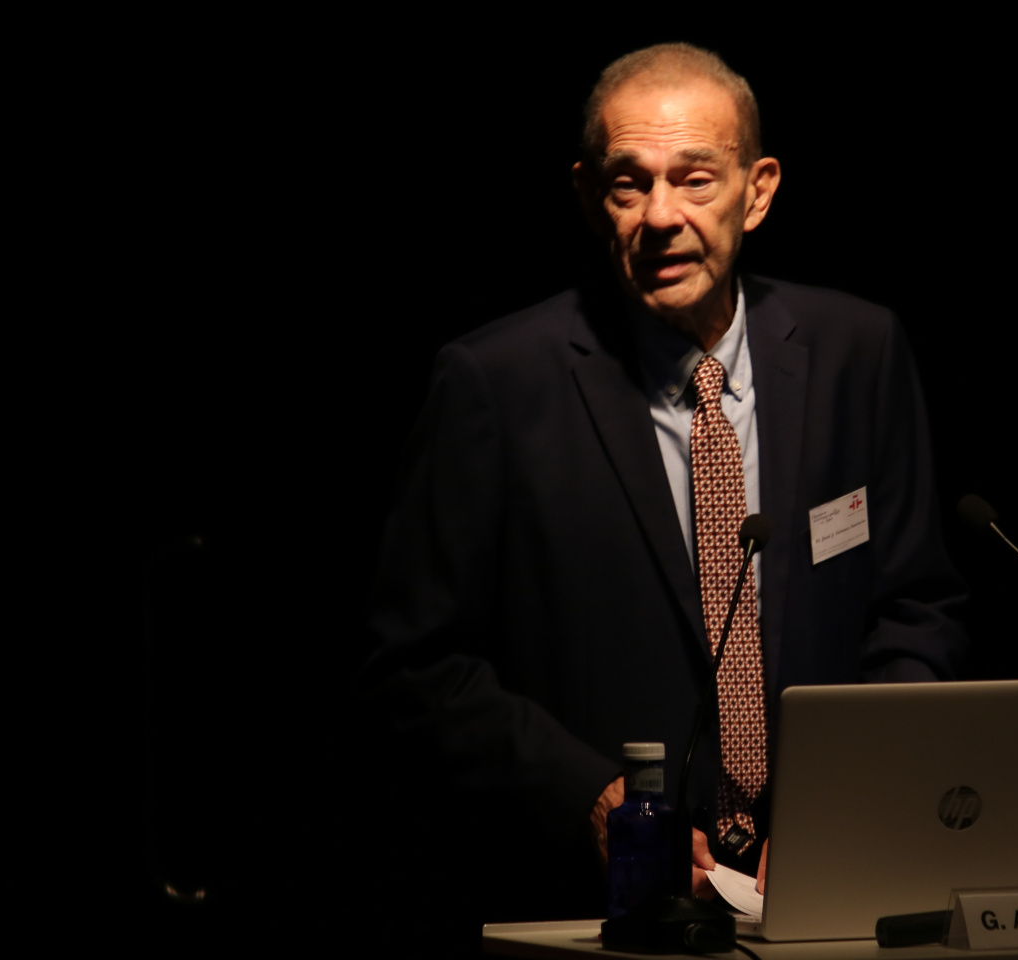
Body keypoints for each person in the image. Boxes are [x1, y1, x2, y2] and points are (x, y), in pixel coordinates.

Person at [361, 43, 967, 923]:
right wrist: (591, 798)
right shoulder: (496, 382)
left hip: (828, 895)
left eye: (694, 179)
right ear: (585, 196)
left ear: (757, 191)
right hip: (591, 909)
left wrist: (848, 798)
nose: (659, 215)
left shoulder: (856, 355)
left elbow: (920, 611)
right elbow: (411, 668)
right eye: (627, 184)